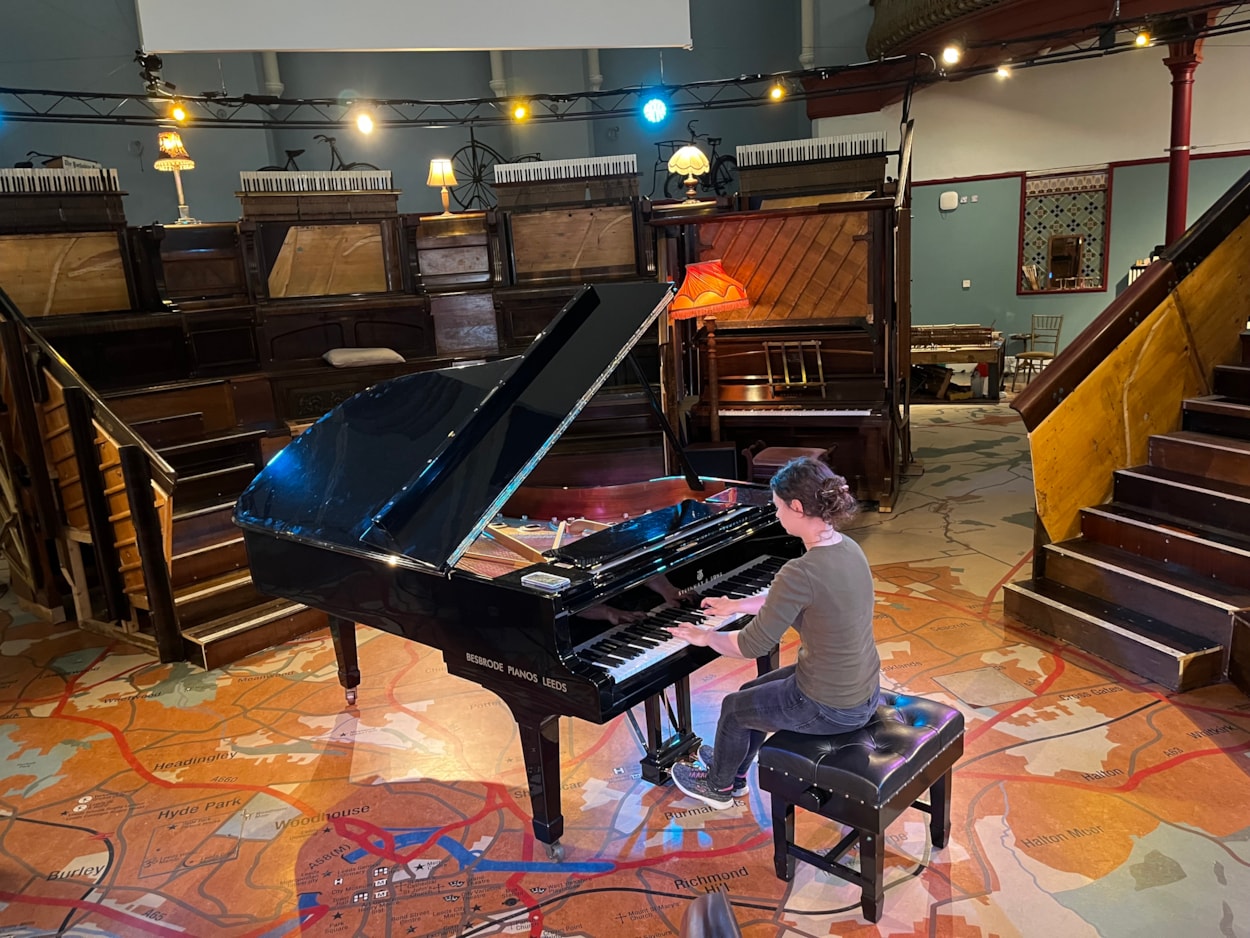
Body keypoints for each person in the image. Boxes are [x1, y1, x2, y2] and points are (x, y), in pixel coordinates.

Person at [665, 456, 882, 809]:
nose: (776, 513)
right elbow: (793, 598)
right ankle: (731, 769)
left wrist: (706, 637)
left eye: (778, 506)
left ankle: (719, 788)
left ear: (797, 507)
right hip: (860, 689)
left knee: (735, 709)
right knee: (751, 692)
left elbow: (752, 644)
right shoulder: (846, 548)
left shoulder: (800, 570)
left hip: (830, 705)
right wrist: (735, 605)